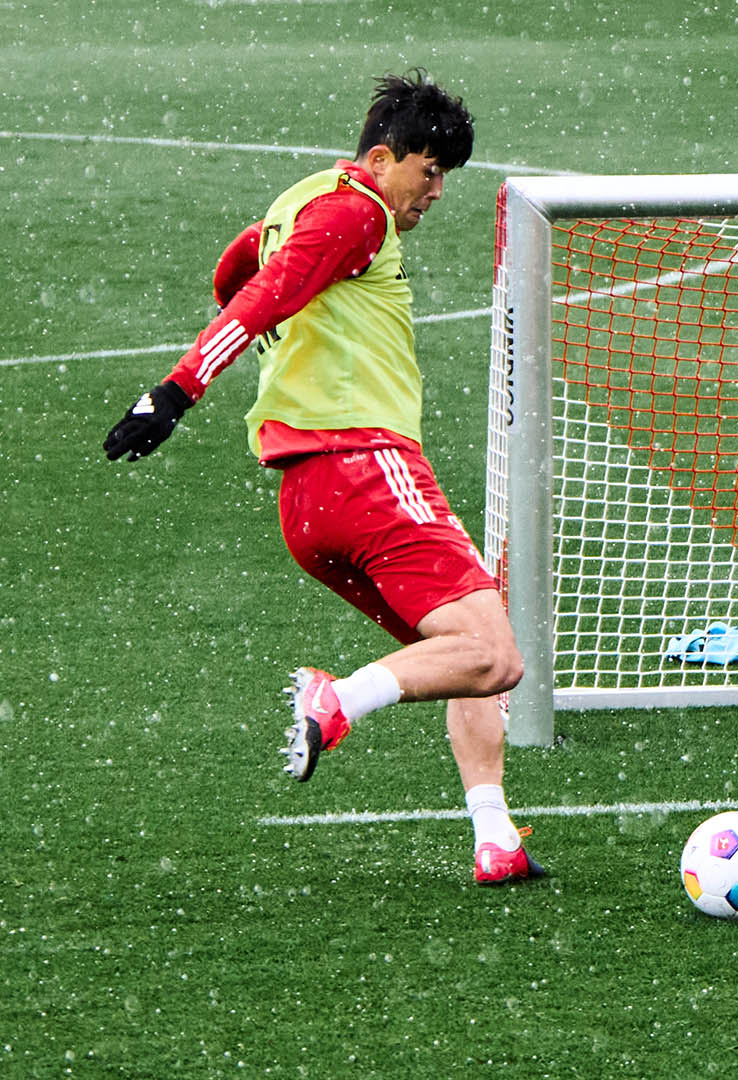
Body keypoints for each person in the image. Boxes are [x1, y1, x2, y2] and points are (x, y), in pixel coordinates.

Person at [103, 71, 545, 886]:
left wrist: (288, 329)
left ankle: (495, 837)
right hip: (365, 466)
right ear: (381, 158)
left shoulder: (299, 204)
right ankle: (334, 700)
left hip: (309, 503)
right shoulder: (355, 212)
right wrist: (174, 392)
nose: (436, 191)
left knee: (460, 646)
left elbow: (235, 271)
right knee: (494, 656)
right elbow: (264, 293)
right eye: (429, 170)